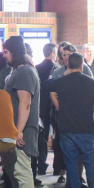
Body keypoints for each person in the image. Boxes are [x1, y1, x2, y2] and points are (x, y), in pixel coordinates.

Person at [50, 53, 94, 188]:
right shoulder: (90, 82)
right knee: (90, 163)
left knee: (71, 164)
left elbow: (46, 85)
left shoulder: (61, 82)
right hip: (86, 128)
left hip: (67, 129)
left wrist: (63, 75)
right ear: (82, 65)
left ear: (68, 65)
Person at [1, 36, 40, 188]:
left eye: (6, 52)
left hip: (22, 131)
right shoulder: (21, 71)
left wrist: (18, 131)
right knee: (14, 170)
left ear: (14, 52)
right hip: (17, 130)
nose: (4, 55)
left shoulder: (24, 72)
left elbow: (25, 104)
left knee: (21, 171)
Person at [35, 43, 58, 178]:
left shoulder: (37, 68)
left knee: (40, 137)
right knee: (49, 137)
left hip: (39, 106)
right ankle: (47, 165)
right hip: (51, 107)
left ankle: (39, 163)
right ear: (53, 53)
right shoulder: (55, 68)